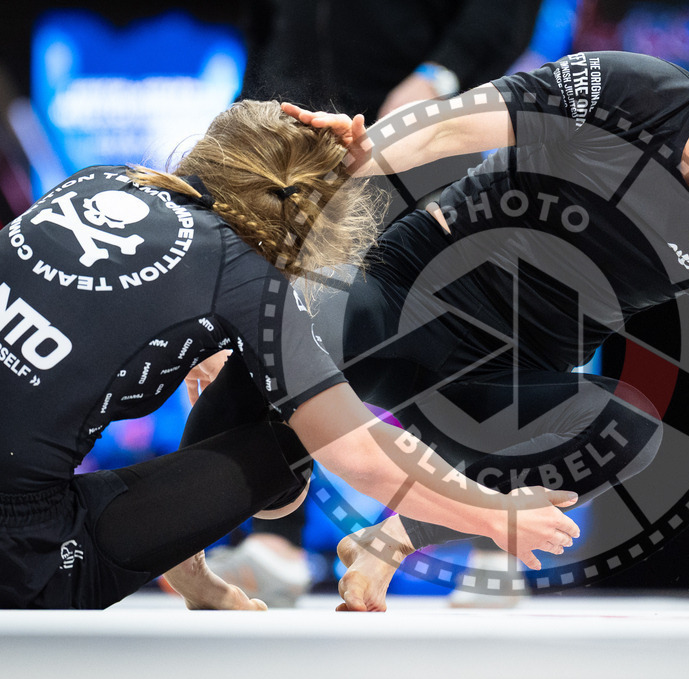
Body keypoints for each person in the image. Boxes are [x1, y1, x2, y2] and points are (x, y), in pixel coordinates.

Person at [285, 36, 689, 617]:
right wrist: (322, 167)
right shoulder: (626, 90)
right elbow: (440, 134)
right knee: (266, 428)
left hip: (510, 381)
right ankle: (201, 555)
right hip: (405, 297)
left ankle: (398, 534)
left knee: (629, 431)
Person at [0, 99, 579, 610]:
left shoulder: (102, 181)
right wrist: (492, 514)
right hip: (20, 551)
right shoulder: (246, 278)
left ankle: (188, 567)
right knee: (287, 441)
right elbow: (360, 453)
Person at [209, 0, 544, 607]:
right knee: (287, 324)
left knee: (462, 330)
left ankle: (492, 541)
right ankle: (276, 535)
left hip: (424, 123)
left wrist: (441, 74)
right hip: (299, 121)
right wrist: (252, 101)